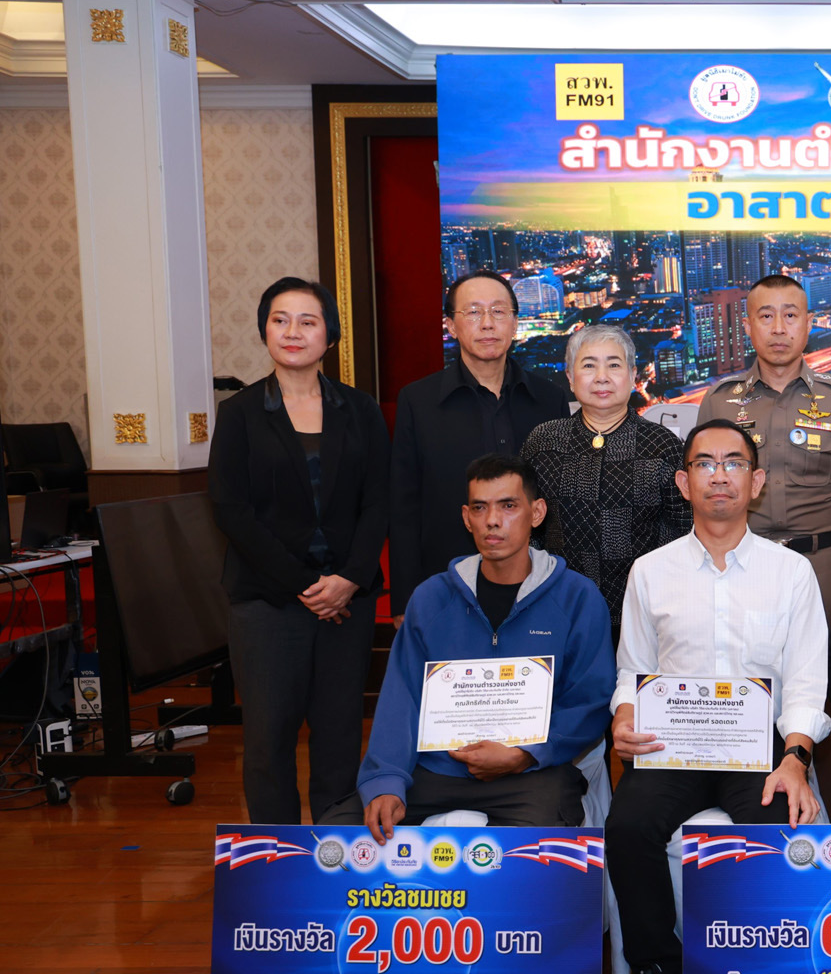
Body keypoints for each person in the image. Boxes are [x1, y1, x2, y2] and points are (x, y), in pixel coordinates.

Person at [605, 420, 829, 974]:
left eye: (735, 463)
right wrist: (624, 717)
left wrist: (795, 758)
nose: (720, 475)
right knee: (628, 826)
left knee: (780, 823)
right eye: (705, 464)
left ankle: (771, 973)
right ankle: (661, 971)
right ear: (684, 483)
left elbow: (807, 680)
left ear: (756, 482)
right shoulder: (651, 571)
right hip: (671, 747)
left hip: (760, 751)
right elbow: (631, 670)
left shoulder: (791, 573)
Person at [319, 454, 615, 834]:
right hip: (438, 770)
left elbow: (590, 702)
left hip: (532, 773)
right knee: (336, 833)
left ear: (537, 513)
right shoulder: (431, 598)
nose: (492, 520)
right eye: (480, 507)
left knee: (536, 848)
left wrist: (525, 754)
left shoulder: (578, 598)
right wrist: (386, 781)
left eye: (508, 506)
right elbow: (401, 698)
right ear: (466, 517)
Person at [209, 277, 389, 824]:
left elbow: (379, 501)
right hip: (268, 603)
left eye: (307, 321)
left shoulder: (360, 409)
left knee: (339, 733)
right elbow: (231, 511)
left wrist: (349, 578)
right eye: (280, 320)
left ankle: (334, 853)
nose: (293, 331)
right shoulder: (240, 413)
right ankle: (277, 856)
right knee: (268, 741)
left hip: (347, 602)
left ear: (329, 336)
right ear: (264, 331)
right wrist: (304, 586)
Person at [390, 270, 570, 618]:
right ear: (450, 325)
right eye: (473, 312)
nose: (487, 323)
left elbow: (560, 501)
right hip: (447, 584)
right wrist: (405, 601)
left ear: (514, 324)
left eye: (499, 311)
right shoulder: (418, 401)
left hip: (537, 584)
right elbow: (403, 507)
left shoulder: (549, 399)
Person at [695, 275, 831, 621]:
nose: (778, 328)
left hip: (822, 570)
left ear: (808, 323)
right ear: (747, 326)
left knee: (824, 658)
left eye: (790, 316)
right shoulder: (719, 402)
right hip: (739, 568)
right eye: (766, 316)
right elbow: (702, 502)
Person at [520, 324, 690, 640]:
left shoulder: (662, 445)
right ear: (570, 377)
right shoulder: (543, 442)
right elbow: (526, 529)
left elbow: (681, 532)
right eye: (588, 365)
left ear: (633, 375)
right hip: (559, 611)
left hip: (645, 618)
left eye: (614, 365)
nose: (602, 377)